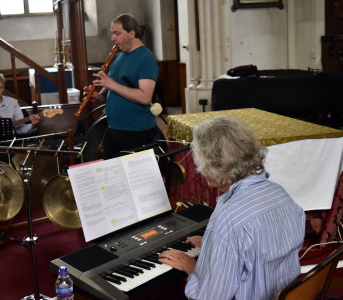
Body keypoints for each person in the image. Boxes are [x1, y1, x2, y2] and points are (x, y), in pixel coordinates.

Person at [159, 115, 305, 300]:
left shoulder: (227, 218)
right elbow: (262, 248)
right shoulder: (280, 194)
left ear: (216, 165)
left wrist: (191, 266)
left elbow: (211, 297)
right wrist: (217, 248)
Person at [83, 13, 160, 159]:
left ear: (131, 33)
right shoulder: (118, 55)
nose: (113, 38)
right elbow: (114, 84)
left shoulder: (146, 58)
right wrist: (99, 95)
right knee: (115, 177)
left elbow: (145, 97)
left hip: (136, 131)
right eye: (113, 33)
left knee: (137, 179)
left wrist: (111, 84)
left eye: (117, 33)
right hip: (113, 128)